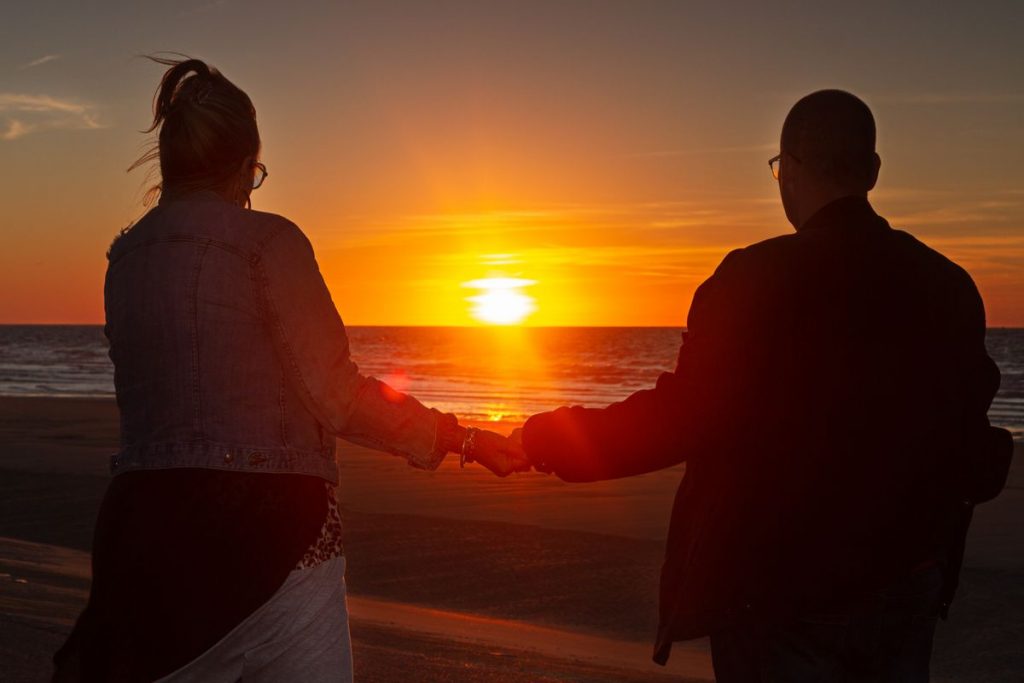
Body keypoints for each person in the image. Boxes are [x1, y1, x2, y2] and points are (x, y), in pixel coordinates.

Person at [52, 56, 527, 683]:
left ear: (170, 162)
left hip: (142, 542)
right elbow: (337, 395)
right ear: (246, 163)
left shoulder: (125, 260)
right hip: (267, 536)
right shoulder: (269, 244)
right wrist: (456, 437)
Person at [513, 90, 1013, 682]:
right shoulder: (950, 287)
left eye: (779, 168)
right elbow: (968, 442)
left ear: (789, 171)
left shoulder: (752, 278)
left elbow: (682, 418)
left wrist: (542, 440)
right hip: (904, 585)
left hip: (776, 595)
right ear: (873, 172)